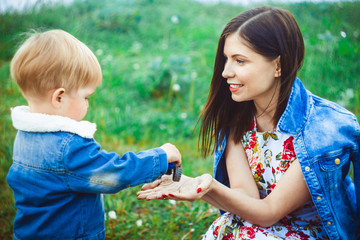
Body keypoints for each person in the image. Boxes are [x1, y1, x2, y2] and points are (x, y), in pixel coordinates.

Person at [137, 6, 360, 240]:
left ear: (278, 66)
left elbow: (269, 212)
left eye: (240, 61)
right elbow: (248, 200)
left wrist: (209, 187)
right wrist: (196, 186)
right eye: (226, 59)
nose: (225, 72)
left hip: (311, 233)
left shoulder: (322, 129)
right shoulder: (237, 118)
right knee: (225, 228)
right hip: (260, 225)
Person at [7, 29, 182, 240]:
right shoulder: (68, 148)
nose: (88, 103)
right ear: (59, 98)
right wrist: (160, 156)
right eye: (86, 96)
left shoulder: (24, 135)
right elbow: (112, 174)